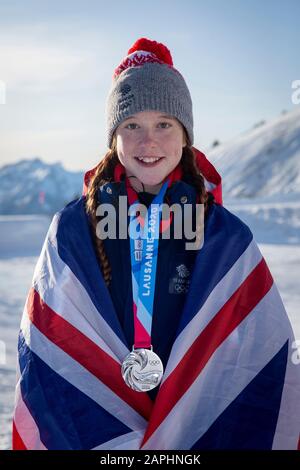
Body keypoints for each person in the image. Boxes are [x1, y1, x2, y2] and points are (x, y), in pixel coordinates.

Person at [13, 38, 299, 450]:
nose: (149, 142)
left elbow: (259, 362)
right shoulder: (71, 231)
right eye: (132, 125)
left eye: (164, 124)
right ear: (113, 138)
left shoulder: (226, 237)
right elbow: (48, 356)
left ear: (186, 135)